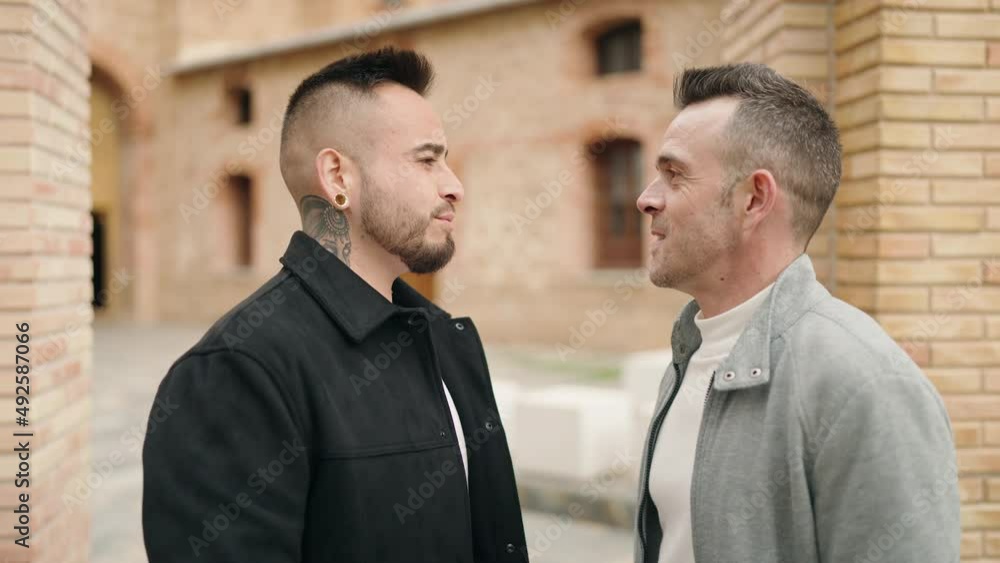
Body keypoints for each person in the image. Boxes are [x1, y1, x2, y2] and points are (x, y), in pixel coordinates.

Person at [142, 47, 528, 563]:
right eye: (428, 159)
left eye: (448, 161)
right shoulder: (236, 372)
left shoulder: (441, 338)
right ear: (339, 177)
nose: (454, 186)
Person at [633, 63, 959, 563]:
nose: (645, 198)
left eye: (673, 174)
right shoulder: (690, 355)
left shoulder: (865, 384)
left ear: (754, 199)